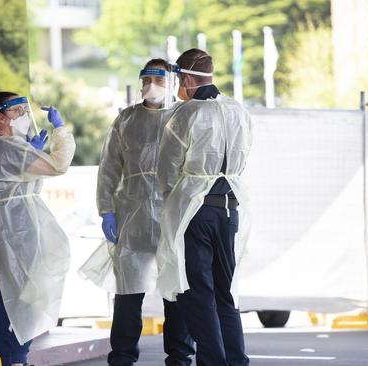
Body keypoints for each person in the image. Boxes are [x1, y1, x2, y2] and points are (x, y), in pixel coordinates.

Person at [80, 59, 194, 366]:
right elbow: (109, 168)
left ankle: (180, 357)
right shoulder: (126, 120)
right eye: (146, 79)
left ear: (172, 83)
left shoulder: (184, 117)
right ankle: (122, 357)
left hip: (173, 214)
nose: (150, 86)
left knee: (176, 291)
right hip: (133, 215)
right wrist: (106, 210)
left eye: (157, 80)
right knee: (128, 293)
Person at [156, 49, 253, 366]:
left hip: (194, 210)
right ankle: (236, 360)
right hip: (230, 207)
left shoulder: (184, 114)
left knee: (199, 293)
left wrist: (176, 196)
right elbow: (244, 153)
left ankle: (213, 362)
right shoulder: (237, 110)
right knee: (226, 294)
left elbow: (167, 170)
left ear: (185, 79)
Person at [0, 91, 76, 366]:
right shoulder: (8, 148)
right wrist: (60, 130)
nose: (24, 117)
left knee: (14, 294)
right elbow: (58, 166)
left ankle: (14, 357)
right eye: (17, 112)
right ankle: (15, 358)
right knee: (19, 297)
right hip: (15, 229)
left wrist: (31, 152)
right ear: (1, 118)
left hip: (2, 227)